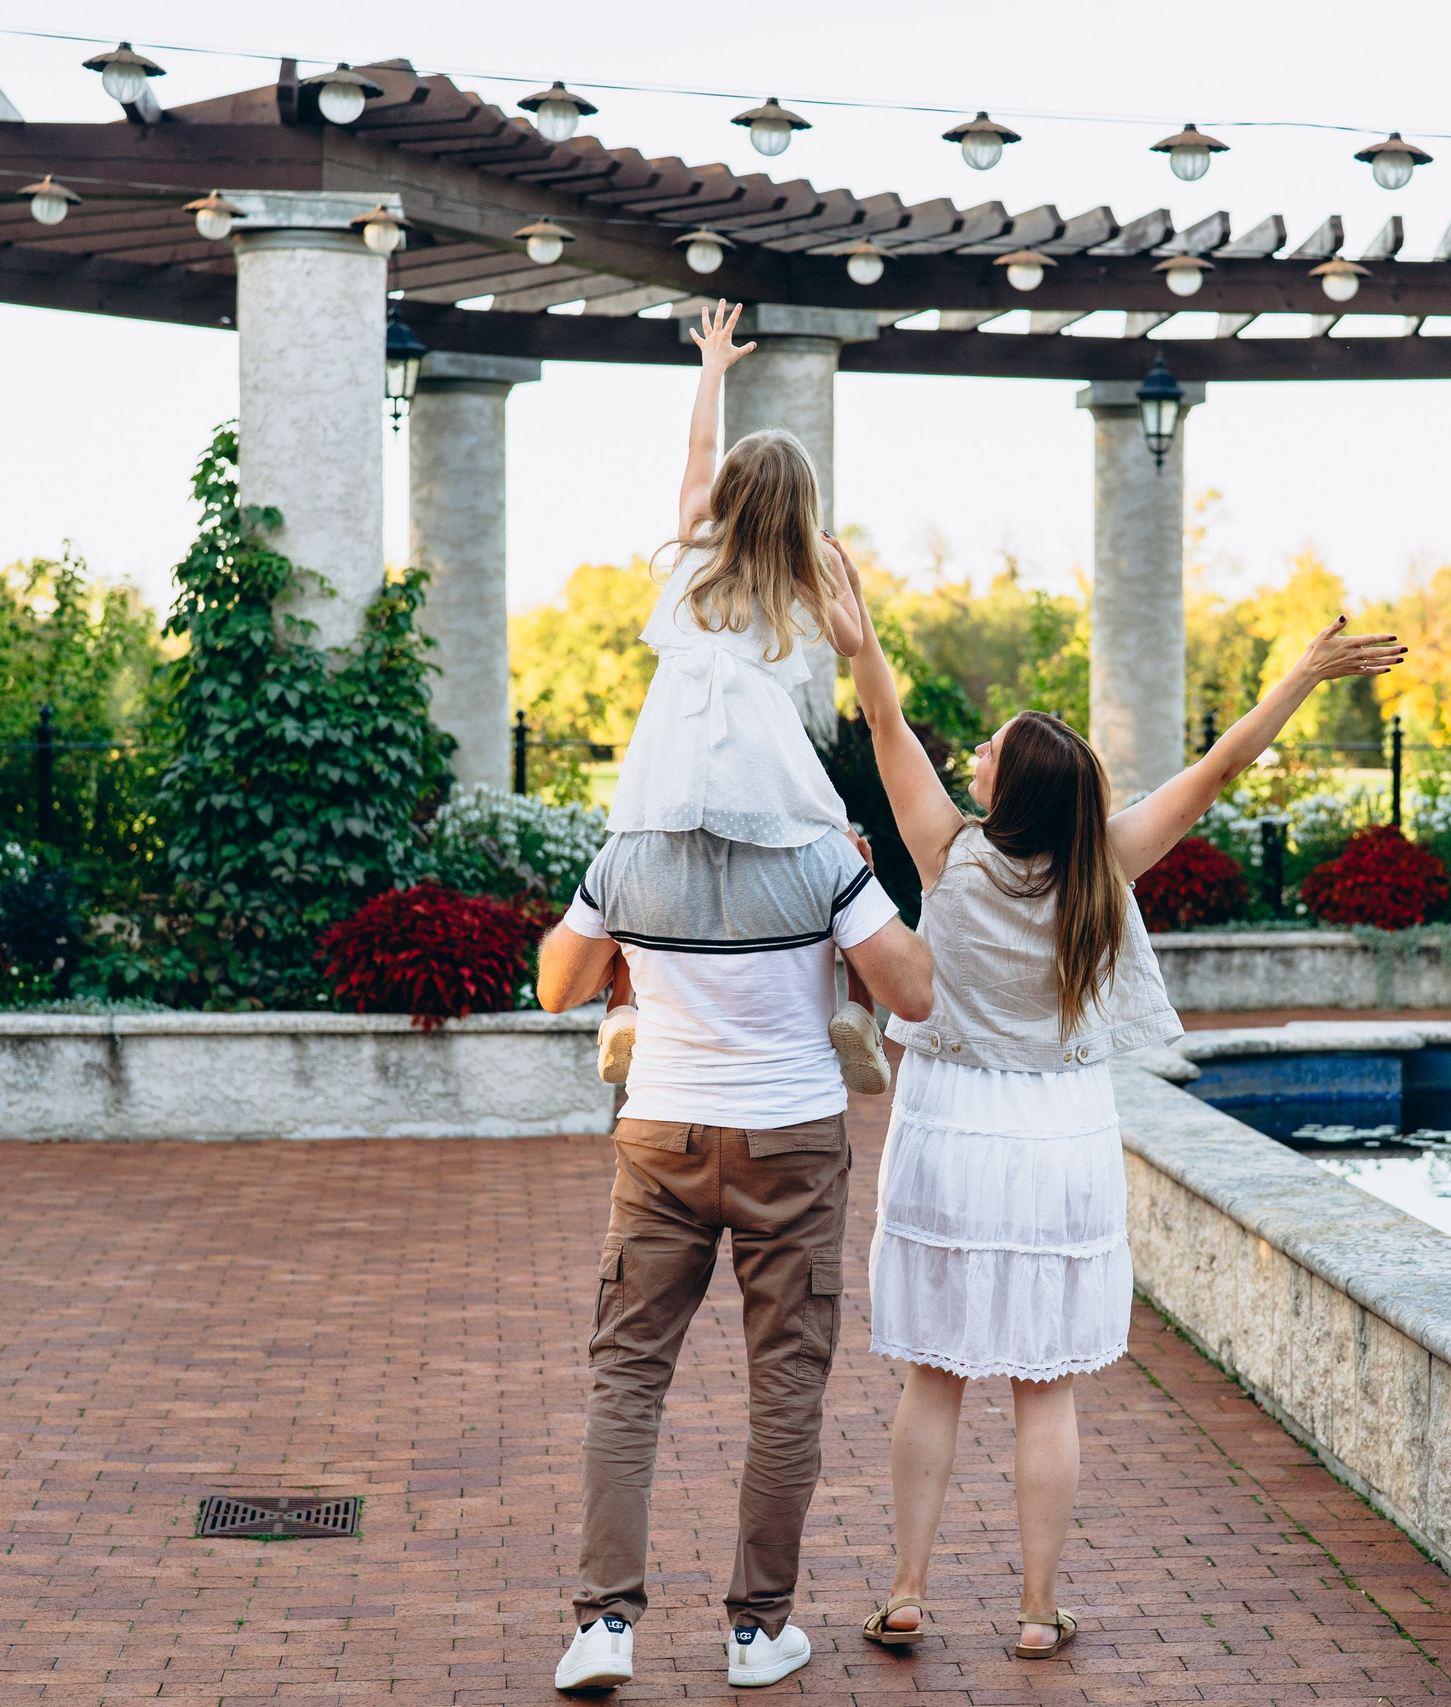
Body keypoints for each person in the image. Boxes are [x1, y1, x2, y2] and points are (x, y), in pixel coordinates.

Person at [836, 534, 1405, 1660]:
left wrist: (856, 623)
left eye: (990, 749)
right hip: (1058, 1134)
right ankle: (1039, 1612)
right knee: (1043, 1389)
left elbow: (885, 722)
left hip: (949, 1125)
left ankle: (906, 1587)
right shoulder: (1106, 863)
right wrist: (1299, 673)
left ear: (1008, 788)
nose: (976, 749)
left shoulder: (944, 851)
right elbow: (1221, 769)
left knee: (935, 1375)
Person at [530, 413, 938, 1692]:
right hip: (793, 1141)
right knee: (783, 1392)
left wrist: (612, 953)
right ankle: (758, 1631)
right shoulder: (821, 857)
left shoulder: (628, 854)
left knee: (627, 1381)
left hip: (658, 1133)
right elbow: (913, 994)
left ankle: (602, 1624)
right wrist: (874, 898)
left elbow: (554, 988)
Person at [592, 301, 890, 1100]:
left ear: (728, 492)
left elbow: (697, 448)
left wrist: (712, 371)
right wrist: (847, 582)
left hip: (671, 749)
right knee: (845, 851)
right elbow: (855, 645)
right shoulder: (804, 568)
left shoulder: (696, 537)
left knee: (632, 856)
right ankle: (856, 1009)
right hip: (760, 755)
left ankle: (623, 1007)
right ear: (802, 509)